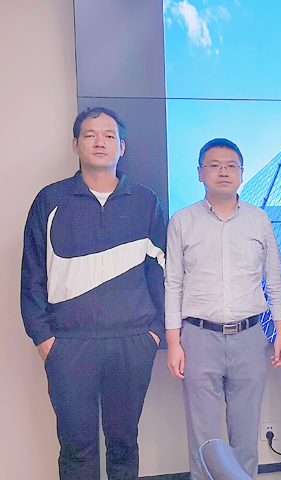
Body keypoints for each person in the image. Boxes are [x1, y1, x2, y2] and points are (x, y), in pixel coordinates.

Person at [21, 107, 165, 479]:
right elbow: (32, 275)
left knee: (124, 444)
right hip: (69, 344)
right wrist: (44, 339)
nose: (100, 142)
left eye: (109, 135)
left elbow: (162, 274)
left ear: (122, 147)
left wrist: (154, 333)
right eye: (90, 134)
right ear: (76, 144)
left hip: (132, 340)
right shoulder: (50, 200)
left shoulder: (145, 201)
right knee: (76, 448)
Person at [164, 138, 281, 479]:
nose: (223, 172)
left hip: (249, 337)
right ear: (200, 173)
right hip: (198, 337)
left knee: (245, 437)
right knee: (204, 440)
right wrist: (174, 343)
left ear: (242, 172)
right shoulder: (182, 220)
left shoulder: (258, 219)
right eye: (215, 165)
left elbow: (274, 279)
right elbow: (173, 284)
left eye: (231, 165)